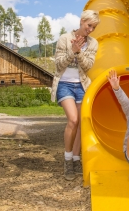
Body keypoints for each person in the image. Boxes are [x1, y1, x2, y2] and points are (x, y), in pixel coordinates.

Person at [51, 10, 100, 181]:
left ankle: (76, 159)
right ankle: (67, 159)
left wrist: (79, 53)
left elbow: (87, 66)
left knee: (80, 123)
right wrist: (72, 50)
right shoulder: (64, 38)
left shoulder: (93, 44)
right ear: (81, 21)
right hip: (64, 84)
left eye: (93, 27)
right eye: (89, 25)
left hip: (81, 85)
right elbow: (58, 64)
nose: (91, 29)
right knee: (73, 120)